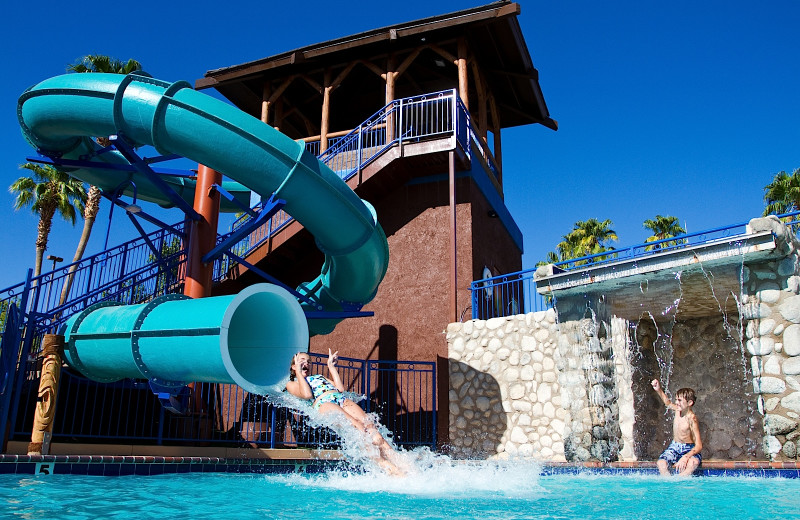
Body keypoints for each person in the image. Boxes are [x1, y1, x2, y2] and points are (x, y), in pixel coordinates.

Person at [286, 349, 404, 475]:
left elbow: (340, 389)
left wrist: (331, 367)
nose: (307, 363)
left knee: (373, 431)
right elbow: (307, 394)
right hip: (325, 404)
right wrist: (298, 372)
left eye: (308, 361)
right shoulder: (292, 383)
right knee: (359, 429)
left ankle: (403, 465)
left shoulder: (319, 377)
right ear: (294, 366)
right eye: (302, 360)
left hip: (341, 399)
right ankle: (387, 467)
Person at [650, 379, 703, 476]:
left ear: (689, 403)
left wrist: (686, 457)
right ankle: (669, 485)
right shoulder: (678, 410)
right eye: (676, 399)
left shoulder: (692, 418)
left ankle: (680, 482)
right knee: (661, 463)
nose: (677, 402)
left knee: (692, 463)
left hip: (688, 448)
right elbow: (668, 403)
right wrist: (658, 390)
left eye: (680, 400)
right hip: (675, 447)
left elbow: (699, 446)